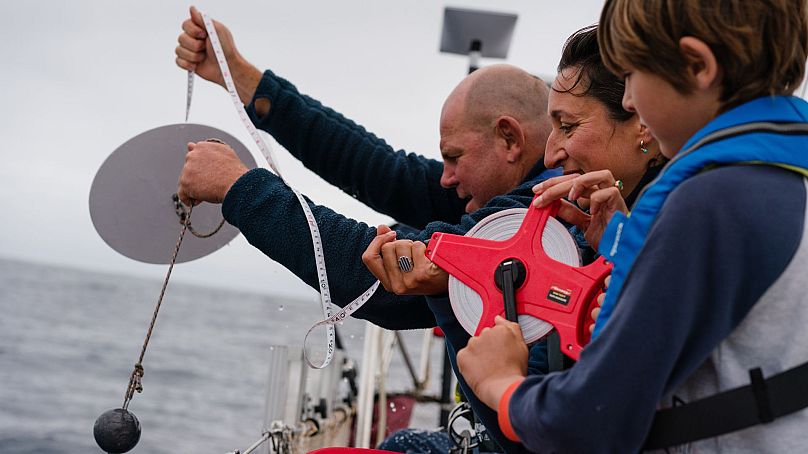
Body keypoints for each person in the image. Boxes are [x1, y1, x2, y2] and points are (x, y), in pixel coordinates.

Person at [456, 1, 808, 452]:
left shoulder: (710, 201)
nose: (627, 100)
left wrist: (501, 383)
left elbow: (589, 419)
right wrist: (623, 248)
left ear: (696, 65)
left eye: (633, 76)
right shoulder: (784, 175)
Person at [364, 25, 666, 452]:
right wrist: (614, 240)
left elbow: (543, 438)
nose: (549, 154)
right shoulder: (626, 215)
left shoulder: (685, 212)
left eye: (567, 125)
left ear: (640, 121)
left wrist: (498, 380)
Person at [174, 6, 556, 334]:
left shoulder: (541, 219)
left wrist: (240, 188)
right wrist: (243, 79)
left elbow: (379, 280)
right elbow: (379, 170)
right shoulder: (512, 190)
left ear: (509, 139)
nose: (445, 177)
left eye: (454, 157)